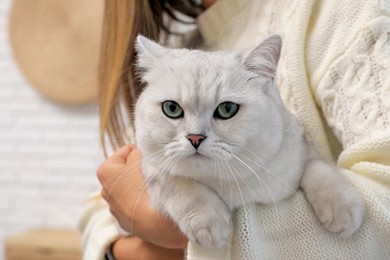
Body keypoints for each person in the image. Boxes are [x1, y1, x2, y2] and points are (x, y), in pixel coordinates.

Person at [79, 0, 390, 259]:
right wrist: (118, 249)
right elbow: (99, 210)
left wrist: (178, 242)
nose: (195, 134)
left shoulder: (338, 12)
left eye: (225, 110)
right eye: (173, 109)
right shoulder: (182, 47)